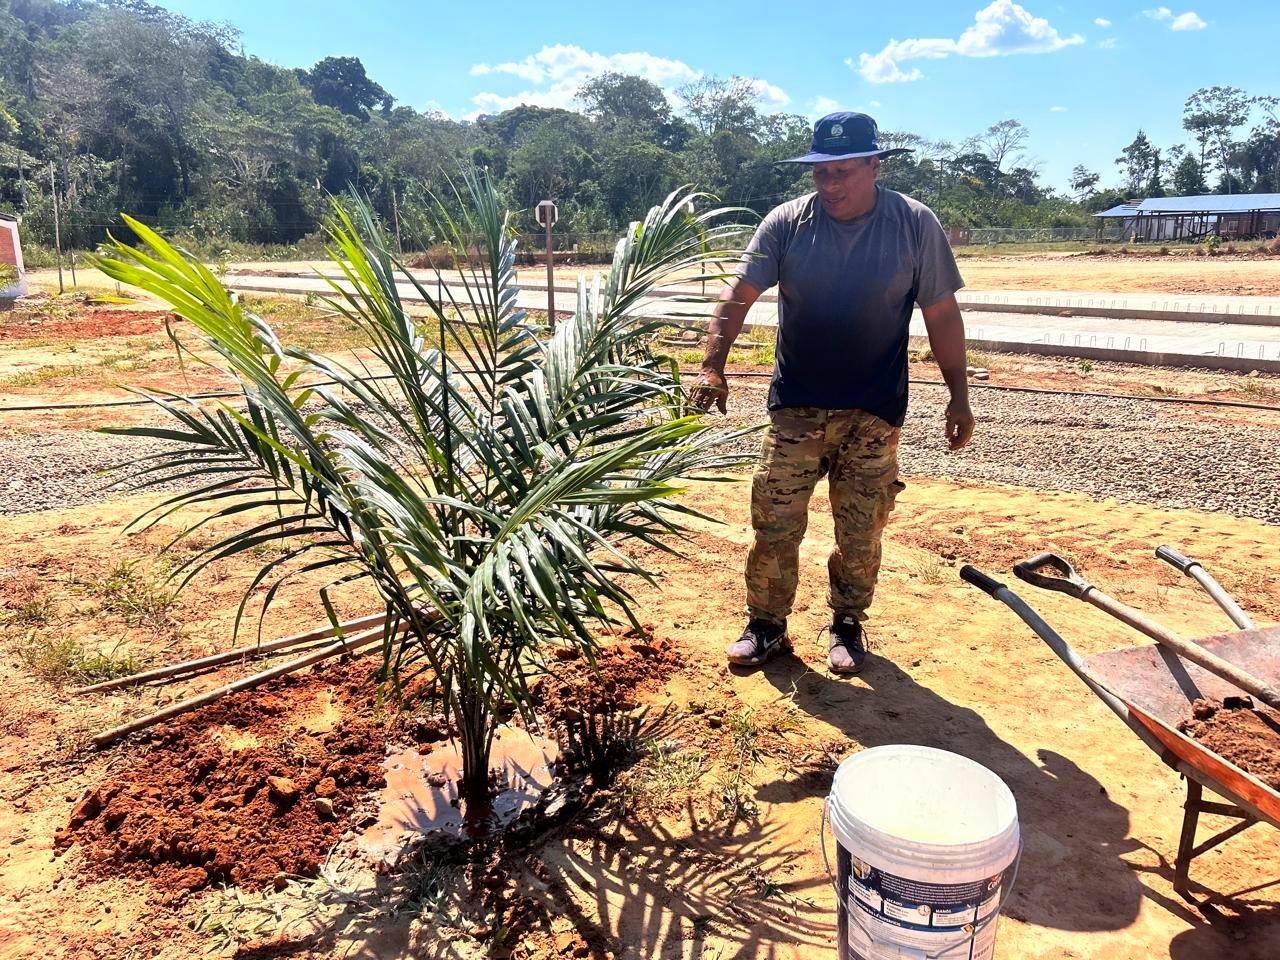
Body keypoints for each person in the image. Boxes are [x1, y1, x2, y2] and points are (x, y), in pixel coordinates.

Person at [691, 111, 974, 676]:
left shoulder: (914, 225)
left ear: (874, 165)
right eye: (821, 173)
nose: (831, 184)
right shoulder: (787, 223)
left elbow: (942, 313)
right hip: (796, 407)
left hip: (874, 411)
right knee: (774, 522)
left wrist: (958, 395)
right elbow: (739, 293)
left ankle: (847, 622)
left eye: (844, 170)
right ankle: (766, 625)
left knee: (861, 528)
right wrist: (711, 365)